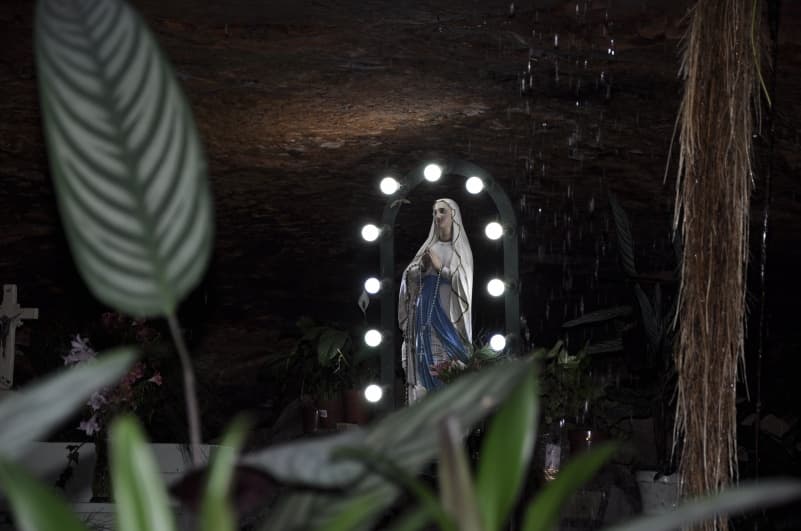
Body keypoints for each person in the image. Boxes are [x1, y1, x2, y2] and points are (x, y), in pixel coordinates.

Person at [398, 198, 473, 402]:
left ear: (453, 216)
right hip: (424, 311)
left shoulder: (461, 250)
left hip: (447, 313)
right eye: (434, 212)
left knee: (447, 358)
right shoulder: (429, 248)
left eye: (442, 211)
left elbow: (463, 281)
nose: (437, 216)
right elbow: (409, 278)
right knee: (422, 356)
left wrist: (442, 269)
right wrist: (420, 268)